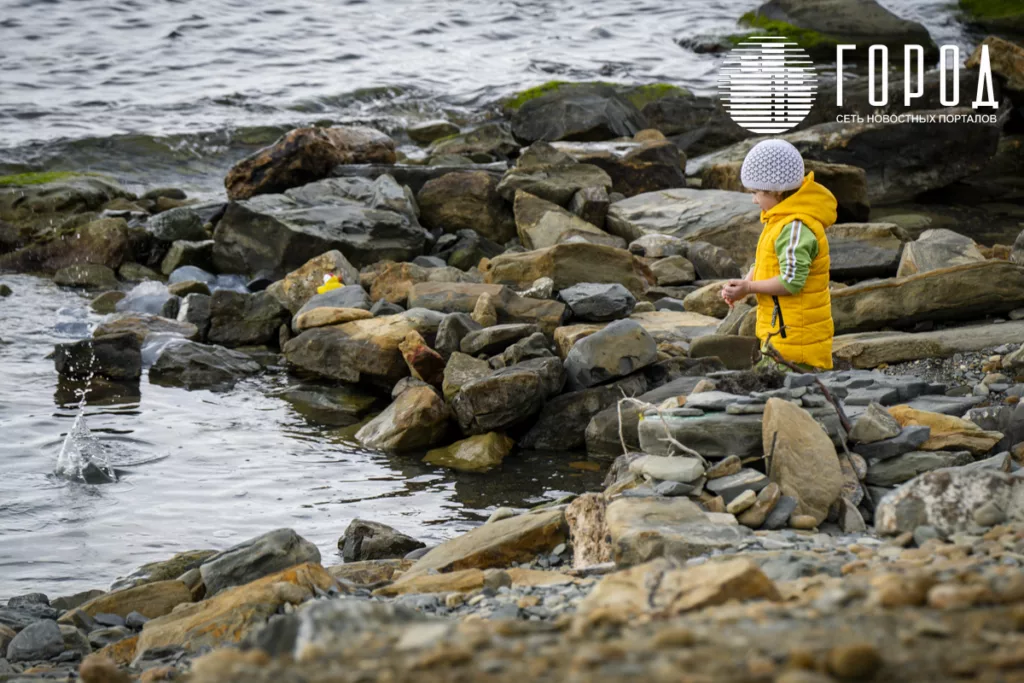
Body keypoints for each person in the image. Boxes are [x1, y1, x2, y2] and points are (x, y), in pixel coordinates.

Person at [720, 139, 837, 371]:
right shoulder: (779, 218)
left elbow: (791, 282)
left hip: (797, 343)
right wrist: (745, 283)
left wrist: (750, 289)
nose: (753, 199)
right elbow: (766, 262)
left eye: (756, 193)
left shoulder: (795, 227)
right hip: (780, 334)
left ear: (777, 191)